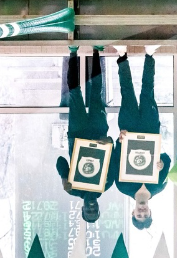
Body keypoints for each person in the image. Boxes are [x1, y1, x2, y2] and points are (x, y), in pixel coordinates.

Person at [55, 47, 118, 223]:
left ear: (82, 208)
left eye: (88, 210)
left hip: (77, 133)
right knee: (96, 92)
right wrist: (108, 141)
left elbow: (60, 161)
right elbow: (114, 157)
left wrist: (63, 177)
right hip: (98, 131)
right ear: (99, 207)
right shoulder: (106, 185)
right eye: (94, 210)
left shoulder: (72, 189)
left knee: (74, 92)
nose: (91, 207)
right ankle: (97, 52)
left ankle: (73, 53)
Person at [110, 45, 170, 230]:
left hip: (128, 133)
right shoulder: (159, 187)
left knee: (127, 93)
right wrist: (161, 164)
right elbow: (167, 159)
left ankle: (122, 55)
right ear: (150, 212)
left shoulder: (123, 188)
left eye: (139, 215)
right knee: (147, 92)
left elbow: (115, 160)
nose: (142, 212)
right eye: (145, 215)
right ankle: (150, 54)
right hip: (150, 130)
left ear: (133, 212)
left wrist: (120, 141)